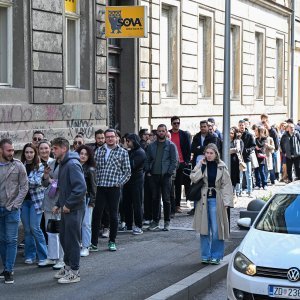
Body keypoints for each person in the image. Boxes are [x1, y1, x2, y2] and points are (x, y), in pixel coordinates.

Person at [190, 143, 233, 265]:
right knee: (204, 229)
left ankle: (216, 255)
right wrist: (202, 168)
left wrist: (227, 202)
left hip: (216, 199)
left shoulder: (221, 166)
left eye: (211, 153)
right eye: (207, 153)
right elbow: (193, 178)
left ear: (216, 154)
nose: (208, 155)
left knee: (217, 229)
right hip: (203, 200)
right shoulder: (201, 164)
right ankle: (205, 255)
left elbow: (227, 185)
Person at [51, 137, 86, 284]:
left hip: (74, 209)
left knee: (72, 240)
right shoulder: (63, 164)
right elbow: (65, 188)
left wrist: (68, 205)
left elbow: (80, 188)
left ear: (64, 149)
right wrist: (59, 203)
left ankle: (75, 272)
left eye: (55, 148)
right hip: (67, 208)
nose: (53, 151)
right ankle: (68, 267)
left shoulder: (71, 164)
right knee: (65, 239)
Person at [91, 129, 131, 252]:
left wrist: (119, 183)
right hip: (101, 187)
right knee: (97, 214)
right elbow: (94, 168)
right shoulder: (99, 150)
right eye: (107, 137)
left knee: (113, 215)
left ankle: (112, 241)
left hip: (114, 188)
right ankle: (94, 243)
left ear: (116, 138)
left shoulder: (122, 152)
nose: (109, 139)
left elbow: (127, 172)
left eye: (112, 136)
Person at [0, 138, 28, 284]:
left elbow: (24, 187)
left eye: (12, 150)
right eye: (8, 150)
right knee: (2, 240)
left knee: (11, 240)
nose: (11, 153)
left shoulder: (18, 166)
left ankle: (9, 270)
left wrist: (16, 204)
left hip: (11, 209)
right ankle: (5, 268)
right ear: (1, 150)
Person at [20, 143, 52, 267]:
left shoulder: (40, 166)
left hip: (36, 202)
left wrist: (23, 180)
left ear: (35, 153)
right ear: (24, 154)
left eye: (31, 152)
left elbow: (37, 182)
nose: (29, 154)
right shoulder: (20, 166)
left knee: (35, 228)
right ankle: (30, 255)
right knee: (27, 230)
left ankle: (44, 255)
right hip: (23, 202)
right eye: (27, 152)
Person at [145, 124, 178, 231]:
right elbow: (147, 159)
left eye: (163, 131)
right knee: (155, 199)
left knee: (166, 199)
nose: (161, 133)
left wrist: (169, 173)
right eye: (159, 131)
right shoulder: (152, 146)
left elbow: (174, 161)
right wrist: (148, 170)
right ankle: (155, 221)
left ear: (165, 132)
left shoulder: (171, 145)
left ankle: (167, 222)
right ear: (157, 132)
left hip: (166, 176)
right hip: (154, 175)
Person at [42, 152, 64, 270]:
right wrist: (46, 176)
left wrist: (55, 182)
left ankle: (62, 258)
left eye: (56, 149)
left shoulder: (67, 164)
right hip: (49, 200)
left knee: (60, 231)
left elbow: (68, 184)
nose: (54, 152)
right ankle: (52, 256)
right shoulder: (50, 163)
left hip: (60, 201)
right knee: (49, 229)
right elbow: (44, 184)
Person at [75, 145, 96, 257]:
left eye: (85, 154)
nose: (83, 156)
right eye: (81, 153)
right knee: (77, 224)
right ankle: (78, 245)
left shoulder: (90, 169)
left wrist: (92, 202)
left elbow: (93, 187)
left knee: (86, 224)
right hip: (75, 199)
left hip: (87, 199)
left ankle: (86, 246)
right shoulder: (74, 166)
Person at [123, 134, 146, 234]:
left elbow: (131, 165)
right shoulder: (130, 151)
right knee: (127, 203)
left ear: (134, 141)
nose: (127, 143)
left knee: (137, 203)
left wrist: (124, 151)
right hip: (128, 180)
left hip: (136, 181)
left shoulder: (140, 152)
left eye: (129, 141)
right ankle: (128, 224)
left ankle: (138, 225)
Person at [169, 116, 191, 214]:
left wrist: (186, 161)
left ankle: (177, 205)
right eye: (174, 123)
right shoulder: (168, 134)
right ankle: (171, 205)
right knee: (169, 185)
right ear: (171, 124)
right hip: (170, 163)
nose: (176, 125)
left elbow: (188, 148)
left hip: (181, 163)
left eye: (178, 123)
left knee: (178, 185)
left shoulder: (184, 134)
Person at [238, 120, 256, 197]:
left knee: (248, 175)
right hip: (239, 158)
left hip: (246, 157)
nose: (241, 126)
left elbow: (253, 146)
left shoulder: (249, 135)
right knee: (240, 175)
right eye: (240, 125)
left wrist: (247, 150)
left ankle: (249, 191)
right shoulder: (237, 134)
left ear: (245, 125)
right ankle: (239, 191)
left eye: (242, 125)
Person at [230, 127, 244, 197]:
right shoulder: (225, 141)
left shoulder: (236, 141)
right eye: (229, 133)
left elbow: (237, 149)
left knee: (234, 176)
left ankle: (235, 192)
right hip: (227, 160)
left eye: (232, 133)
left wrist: (228, 150)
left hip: (234, 160)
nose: (230, 134)